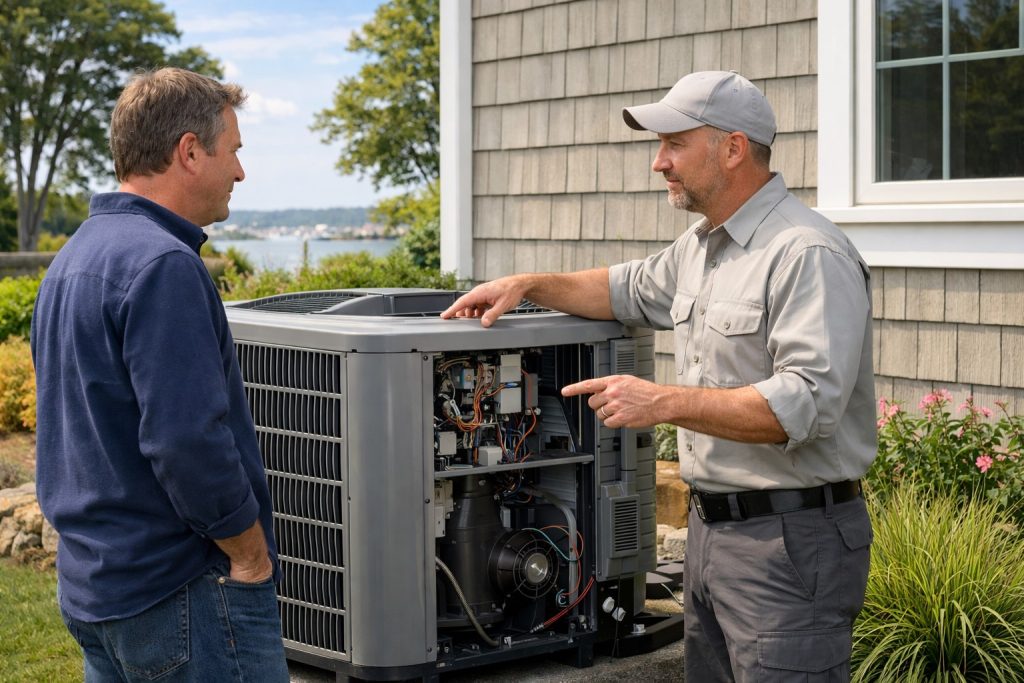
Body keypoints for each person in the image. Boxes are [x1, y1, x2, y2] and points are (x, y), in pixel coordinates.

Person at [441, 70, 876, 681]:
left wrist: (661, 401)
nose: (659, 162)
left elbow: (805, 405)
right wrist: (528, 285)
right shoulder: (701, 248)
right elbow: (621, 288)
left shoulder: (807, 253)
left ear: (732, 148)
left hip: (790, 542)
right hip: (711, 537)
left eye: (674, 143)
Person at [31, 67, 289, 682]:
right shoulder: (163, 265)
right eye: (234, 152)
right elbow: (187, 441)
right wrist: (250, 556)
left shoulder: (73, 259)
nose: (240, 172)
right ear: (190, 152)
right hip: (180, 593)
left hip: (98, 591)